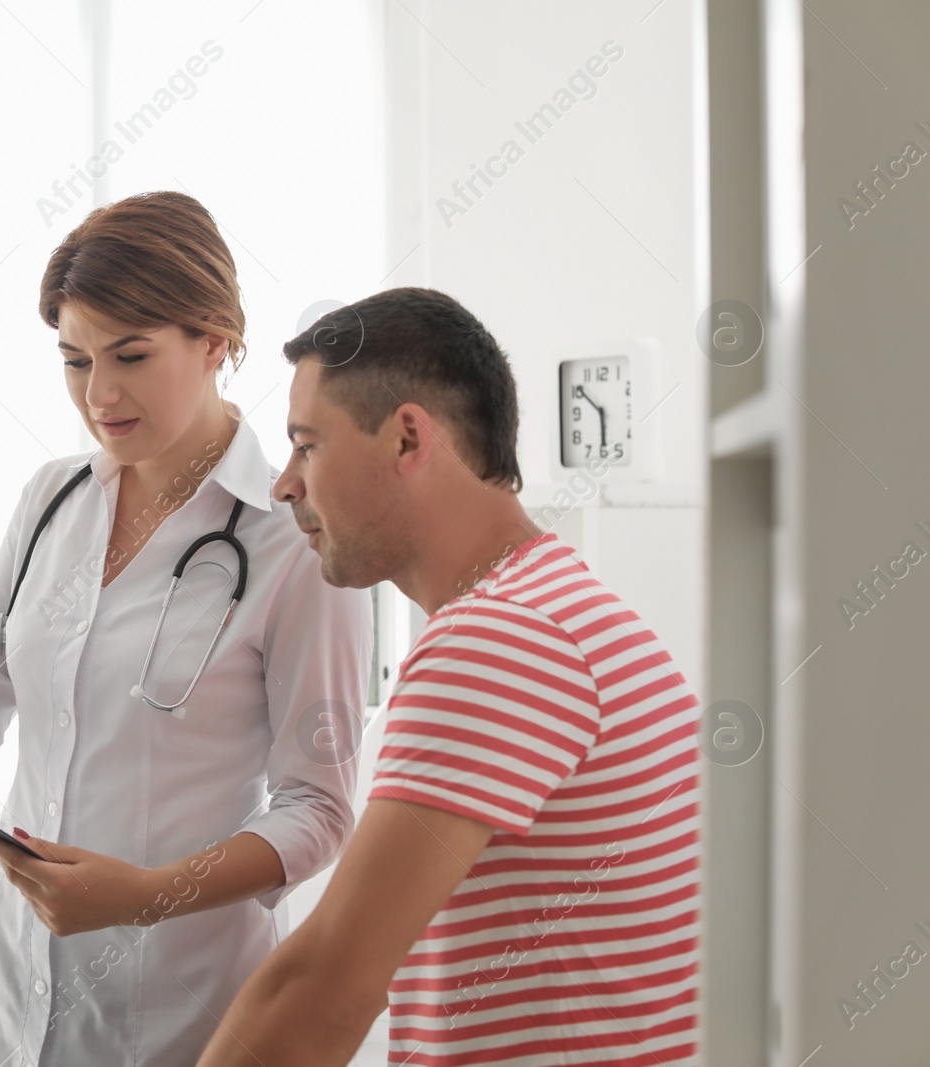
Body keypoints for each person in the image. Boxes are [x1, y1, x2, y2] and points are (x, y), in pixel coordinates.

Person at [0, 191, 373, 1067]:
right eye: (74, 361)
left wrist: (148, 895)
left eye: (131, 355)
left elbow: (319, 810)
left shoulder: (293, 543)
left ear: (215, 340)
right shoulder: (51, 499)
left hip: (173, 1011)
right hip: (8, 997)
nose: (100, 394)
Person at [197, 287, 702, 1066]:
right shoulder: (563, 605)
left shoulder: (498, 641)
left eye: (308, 444)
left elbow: (328, 985)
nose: (284, 484)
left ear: (406, 438)